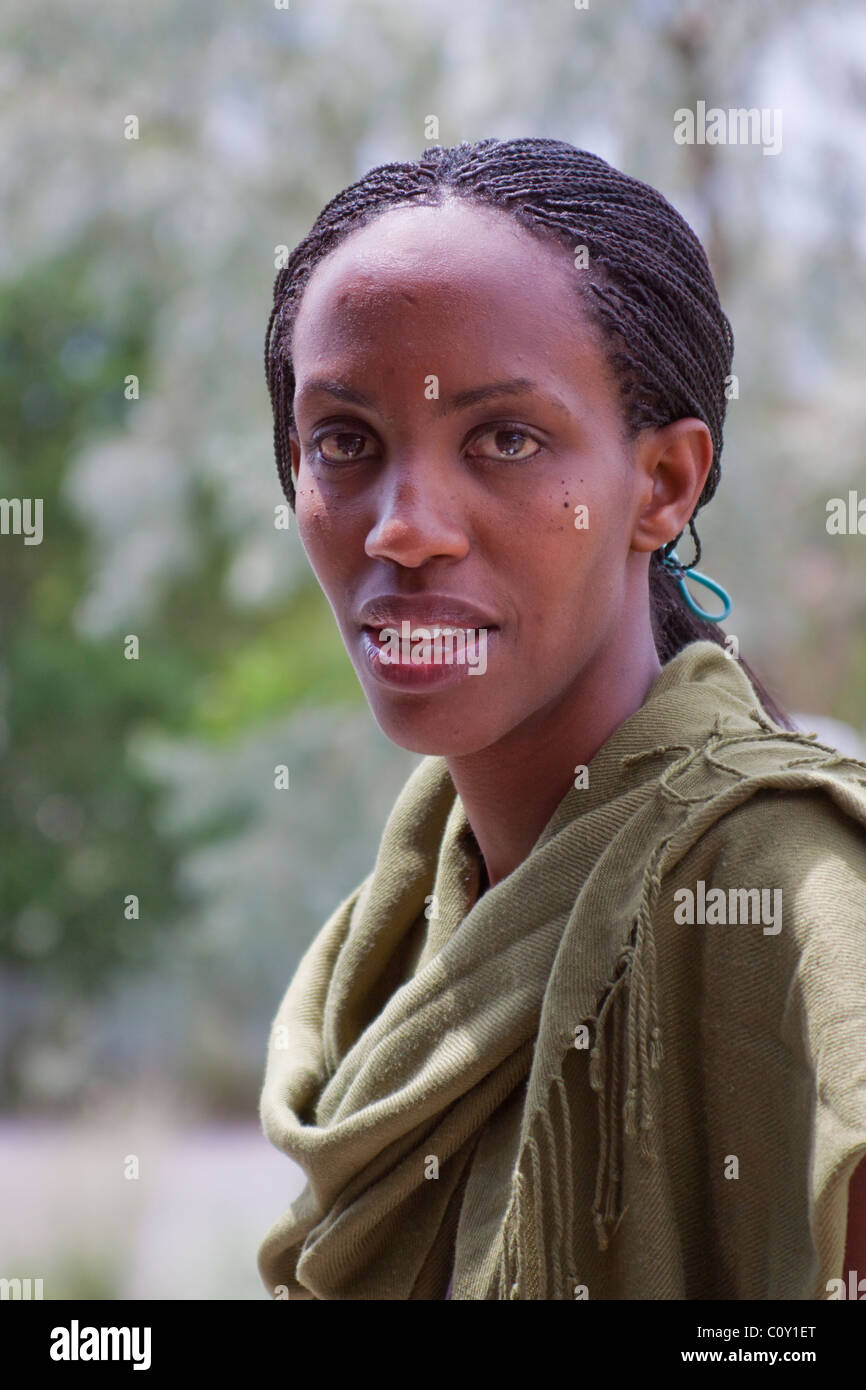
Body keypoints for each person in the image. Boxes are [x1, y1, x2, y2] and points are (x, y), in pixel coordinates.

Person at [256, 137, 866, 1300]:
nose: (403, 528)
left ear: (662, 485)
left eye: (504, 439)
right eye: (346, 443)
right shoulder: (384, 951)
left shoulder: (794, 898)